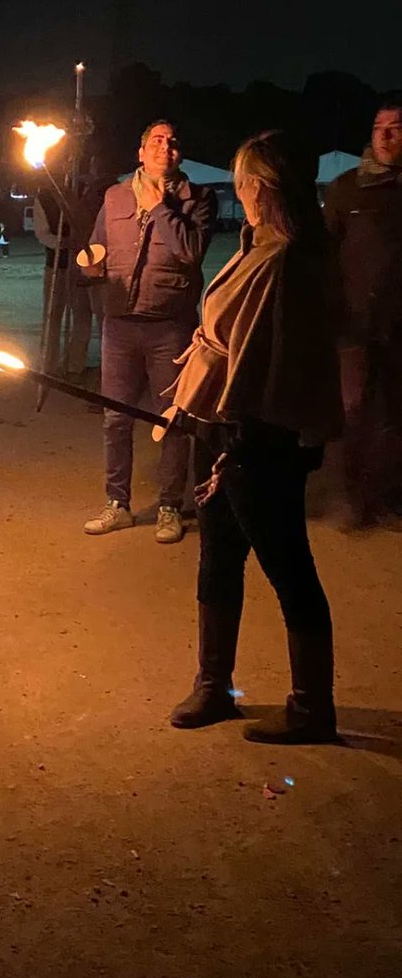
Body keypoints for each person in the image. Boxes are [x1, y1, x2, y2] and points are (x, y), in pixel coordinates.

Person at [162, 130, 342, 744]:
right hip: (224, 428)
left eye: (241, 179)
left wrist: (234, 442)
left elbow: (266, 361)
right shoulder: (258, 246)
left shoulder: (285, 260)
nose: (235, 188)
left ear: (260, 188)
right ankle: (215, 685)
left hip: (256, 436)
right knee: (218, 556)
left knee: (288, 565)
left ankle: (312, 707)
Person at [81, 120, 217, 543]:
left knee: (173, 419)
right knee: (114, 419)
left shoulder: (200, 199)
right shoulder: (115, 196)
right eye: (156, 141)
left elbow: (191, 253)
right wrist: (91, 266)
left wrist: (160, 208)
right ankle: (117, 504)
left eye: (172, 142)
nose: (165, 147)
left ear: (180, 154)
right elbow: (97, 245)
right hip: (119, 324)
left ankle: (170, 506)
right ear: (140, 153)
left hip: (170, 327)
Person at [323, 96, 402, 530]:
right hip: (353, 325)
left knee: (394, 416)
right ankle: (350, 497)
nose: (387, 135)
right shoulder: (348, 188)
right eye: (379, 127)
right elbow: (325, 254)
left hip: (399, 328)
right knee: (352, 411)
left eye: (396, 127)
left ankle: (387, 496)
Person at [33, 169, 97, 386]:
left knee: (81, 316)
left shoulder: (82, 194)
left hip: (79, 267)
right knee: (52, 317)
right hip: (57, 267)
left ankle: (74, 365)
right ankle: (47, 366)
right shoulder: (43, 198)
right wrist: (62, 243)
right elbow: (42, 233)